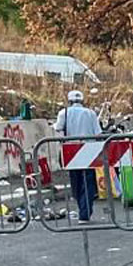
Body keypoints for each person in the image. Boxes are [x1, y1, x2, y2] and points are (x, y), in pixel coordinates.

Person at [53, 90, 102, 223]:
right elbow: (98, 134)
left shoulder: (64, 113)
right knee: (88, 182)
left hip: (71, 151)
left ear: (69, 101)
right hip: (88, 151)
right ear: (82, 101)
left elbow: (59, 132)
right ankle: (85, 212)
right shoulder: (91, 113)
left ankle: (83, 209)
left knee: (76, 182)